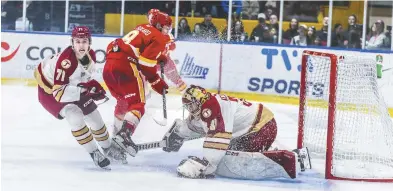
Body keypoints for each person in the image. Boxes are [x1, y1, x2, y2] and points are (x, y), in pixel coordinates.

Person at [162, 85, 311, 179]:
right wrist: (178, 134)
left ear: (200, 101)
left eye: (192, 106)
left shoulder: (212, 107)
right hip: (255, 129)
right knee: (228, 156)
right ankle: (274, 152)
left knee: (232, 162)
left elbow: (217, 137)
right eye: (188, 107)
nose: (190, 110)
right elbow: (196, 126)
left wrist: (205, 166)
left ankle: (294, 159)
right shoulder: (206, 105)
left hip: (262, 127)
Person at [34, 26, 125, 169]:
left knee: (95, 118)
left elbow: (82, 78)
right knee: (75, 116)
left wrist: (90, 87)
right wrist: (85, 90)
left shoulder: (91, 55)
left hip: (70, 87)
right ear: (72, 43)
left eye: (84, 41)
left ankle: (108, 148)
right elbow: (58, 93)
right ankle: (94, 152)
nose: (81, 45)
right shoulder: (66, 62)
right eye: (77, 41)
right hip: (50, 92)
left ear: (89, 42)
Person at [103, 11, 172, 157]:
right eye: (166, 27)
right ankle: (124, 135)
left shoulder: (141, 27)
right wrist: (156, 82)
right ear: (159, 25)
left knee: (123, 102)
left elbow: (138, 50)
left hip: (109, 67)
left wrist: (158, 56)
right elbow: (145, 65)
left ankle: (115, 144)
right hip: (126, 67)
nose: (167, 31)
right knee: (138, 104)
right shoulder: (159, 37)